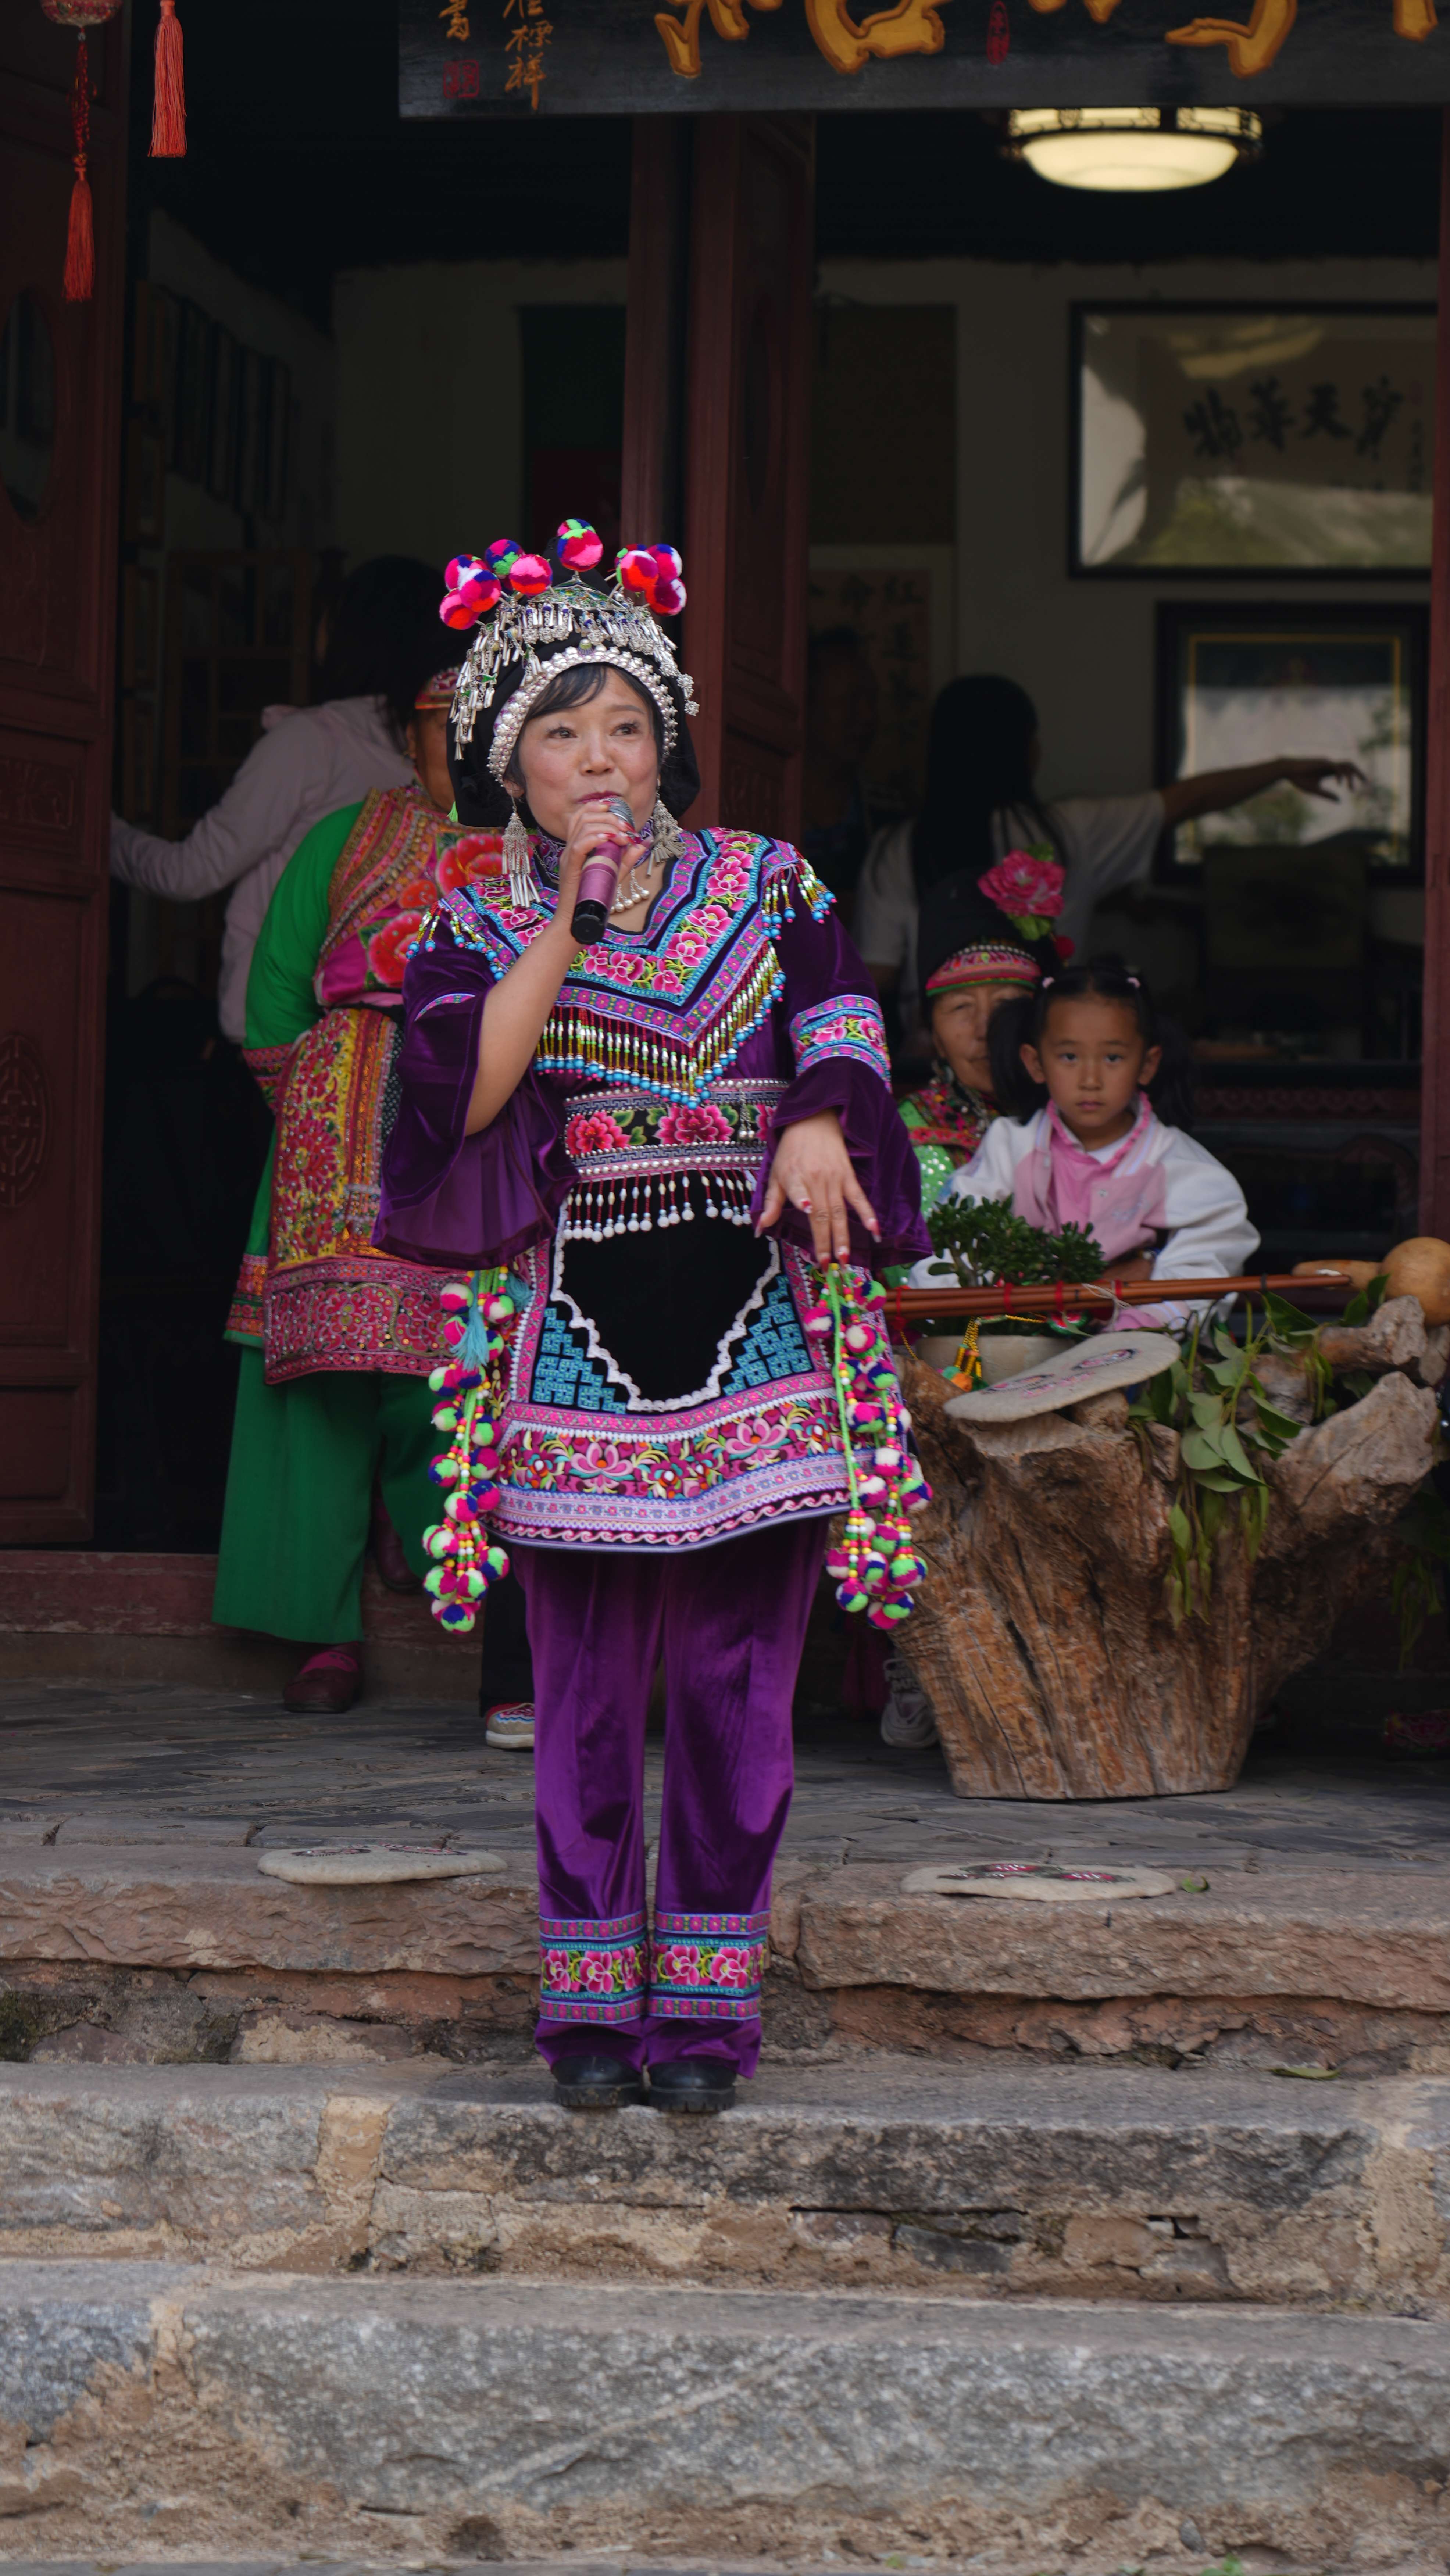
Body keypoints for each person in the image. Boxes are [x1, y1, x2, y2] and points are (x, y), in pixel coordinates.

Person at [378, 522, 929, 2115]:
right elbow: (471, 1089)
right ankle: (587, 2018)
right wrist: (575, 915)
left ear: (664, 738)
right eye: (560, 733)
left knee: (738, 1686)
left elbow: (837, 1013)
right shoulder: (469, 928)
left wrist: (821, 1114)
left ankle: (704, 2022)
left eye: (624, 725)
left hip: (757, 1319)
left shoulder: (771, 881)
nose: (599, 758)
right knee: (590, 1693)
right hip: (575, 1341)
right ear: (508, 768)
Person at [213, 664, 534, 1720]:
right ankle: (321, 1634)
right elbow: (274, 991)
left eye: (484, 726)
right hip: (336, 1122)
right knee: (316, 1376)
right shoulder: (344, 836)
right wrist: (314, 1102)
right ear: (409, 738)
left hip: (479, 1127)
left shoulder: (543, 849)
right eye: (444, 728)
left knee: (459, 1358)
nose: (463, 746)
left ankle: (460, 1578)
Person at [856, 673, 1366, 1056]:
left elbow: (875, 979)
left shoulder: (898, 848)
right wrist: (1281, 768)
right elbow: (1185, 801)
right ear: (1027, 751)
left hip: (935, 1066)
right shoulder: (1065, 834)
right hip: (1048, 1063)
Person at [111, 557, 443, 1043]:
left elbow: (191, 871)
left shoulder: (312, 743)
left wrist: (100, 835)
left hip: (273, 1035)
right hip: (378, 1041)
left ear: (352, 632)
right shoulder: (440, 755)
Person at [915, 955, 1257, 1332]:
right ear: (1035, 1063)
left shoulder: (1178, 1166)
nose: (1090, 1079)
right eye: (1069, 1057)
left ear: (1146, 1063)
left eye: (1112, 1057)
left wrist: (1138, 1324)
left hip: (1135, 1353)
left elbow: (1206, 1267)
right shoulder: (1010, 1146)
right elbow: (949, 1245)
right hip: (1016, 1342)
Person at [899, 867, 1059, 1218]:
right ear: (936, 1038)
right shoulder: (907, 1136)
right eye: (960, 1007)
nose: (985, 1029)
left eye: (1006, 1004)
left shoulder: (1085, 1113)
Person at [798, 626, 893, 914]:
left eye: (870, 701)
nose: (865, 717)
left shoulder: (888, 816)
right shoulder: (767, 812)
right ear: (806, 706)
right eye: (848, 703)